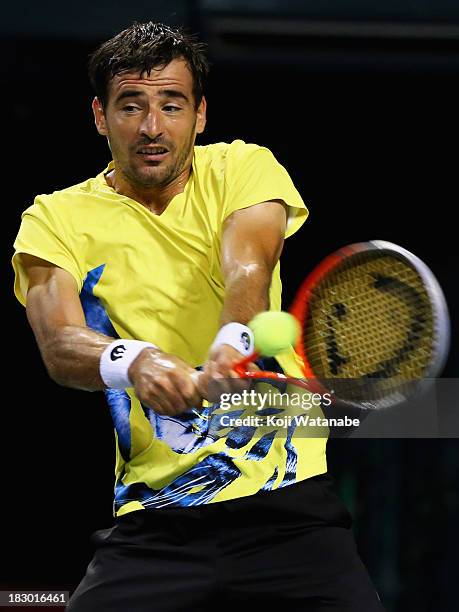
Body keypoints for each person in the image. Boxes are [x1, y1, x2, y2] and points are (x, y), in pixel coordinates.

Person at [12, 21, 384, 611]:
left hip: (289, 513)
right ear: (100, 116)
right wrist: (132, 360)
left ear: (200, 114)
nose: (152, 127)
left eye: (171, 104)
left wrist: (231, 343)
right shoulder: (53, 219)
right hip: (155, 522)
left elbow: (248, 268)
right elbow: (60, 345)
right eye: (131, 106)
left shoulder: (243, 167)